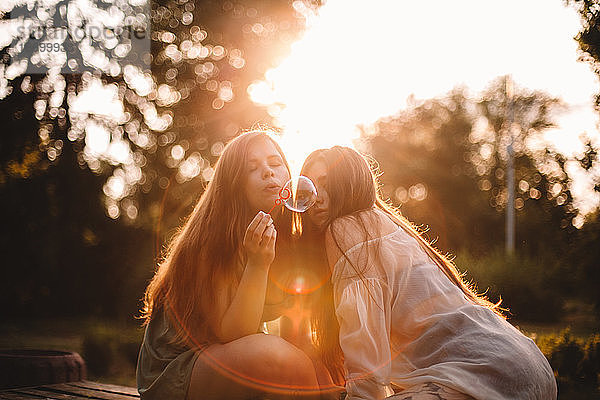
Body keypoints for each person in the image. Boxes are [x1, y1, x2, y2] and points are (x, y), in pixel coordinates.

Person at [300, 146, 557, 400]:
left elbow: (365, 356)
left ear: (350, 184)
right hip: (525, 365)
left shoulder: (345, 229)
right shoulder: (385, 224)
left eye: (327, 184)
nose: (316, 197)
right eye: (309, 187)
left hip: (488, 373)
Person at [136, 131, 330, 400]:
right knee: (279, 359)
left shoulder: (286, 241)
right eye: (252, 168)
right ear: (234, 184)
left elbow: (296, 335)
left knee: (320, 371)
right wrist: (258, 265)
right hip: (177, 373)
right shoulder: (211, 239)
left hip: (229, 362)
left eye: (275, 164)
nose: (267, 173)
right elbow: (233, 335)